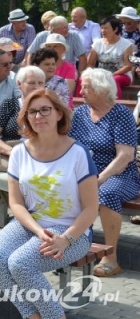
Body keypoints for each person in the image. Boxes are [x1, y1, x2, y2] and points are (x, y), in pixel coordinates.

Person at [0, 89, 99, 319]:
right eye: (32, 112)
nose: (38, 116)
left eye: (45, 110)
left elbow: (91, 208)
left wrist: (65, 239)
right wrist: (38, 230)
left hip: (72, 232)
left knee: (20, 264)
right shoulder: (18, 153)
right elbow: (16, 204)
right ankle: (34, 316)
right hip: (32, 225)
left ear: (59, 113)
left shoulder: (78, 153)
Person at [69, 68, 140, 277]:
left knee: (107, 193)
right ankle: (73, 248)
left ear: (102, 89)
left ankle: (111, 257)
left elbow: (125, 156)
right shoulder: (80, 113)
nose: (81, 90)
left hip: (118, 175)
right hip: (85, 174)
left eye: (86, 86)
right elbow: (69, 146)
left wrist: (98, 179)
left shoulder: (121, 115)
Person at [0, 66, 46, 162]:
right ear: (19, 84)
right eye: (31, 83)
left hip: (42, 156)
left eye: (40, 83)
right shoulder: (9, 104)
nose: (36, 87)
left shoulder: (49, 108)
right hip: (11, 158)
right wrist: (13, 152)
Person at [87, 16, 134, 99]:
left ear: (115, 29)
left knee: (113, 80)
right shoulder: (97, 43)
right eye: (101, 28)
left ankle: (116, 106)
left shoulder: (126, 44)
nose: (103, 31)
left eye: (106, 28)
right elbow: (90, 63)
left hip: (121, 75)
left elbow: (128, 66)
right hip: (101, 75)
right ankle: (80, 106)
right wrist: (92, 74)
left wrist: (111, 74)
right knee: (83, 79)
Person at [40, 33, 77, 104]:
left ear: (63, 49)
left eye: (55, 46)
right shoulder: (40, 66)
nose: (51, 49)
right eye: (49, 46)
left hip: (62, 105)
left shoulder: (70, 67)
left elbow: (66, 91)